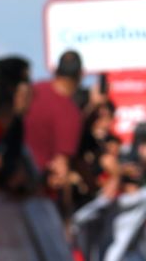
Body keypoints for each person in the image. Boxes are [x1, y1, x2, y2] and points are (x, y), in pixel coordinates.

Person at [24, 50, 84, 190]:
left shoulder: (33, 91)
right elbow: (60, 167)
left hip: (7, 184)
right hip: (38, 191)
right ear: (81, 74)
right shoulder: (70, 113)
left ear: (56, 70)